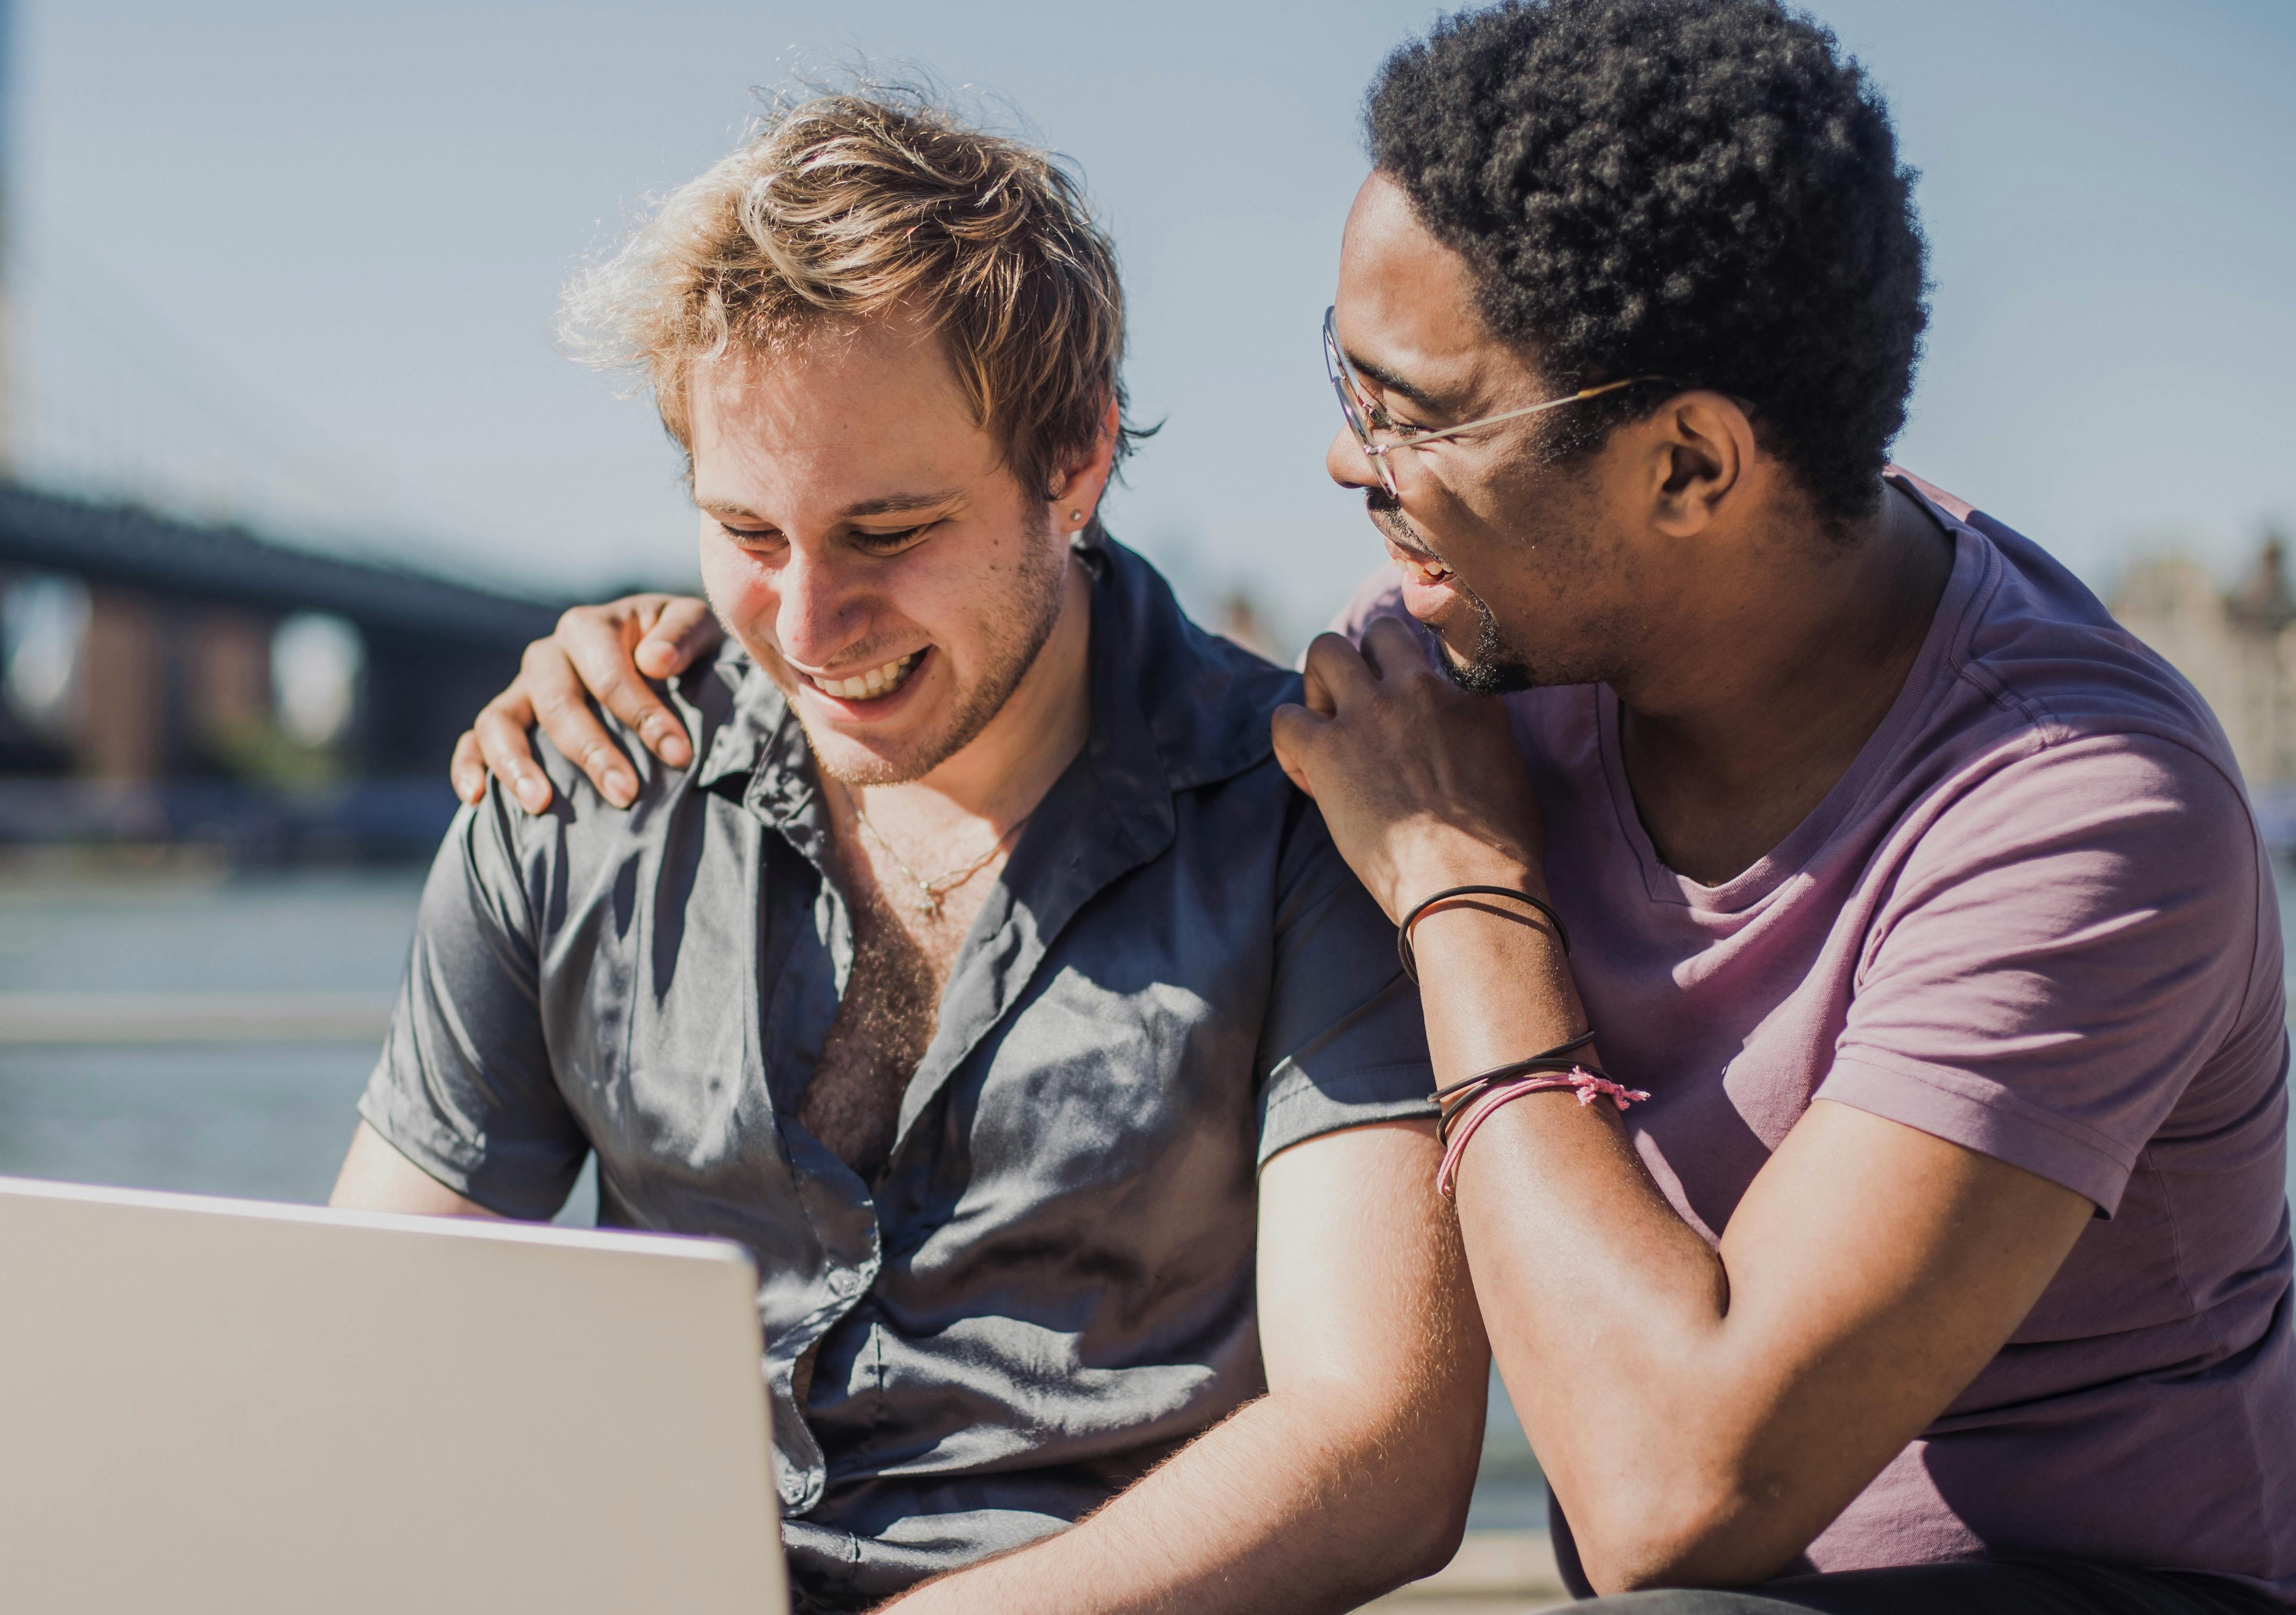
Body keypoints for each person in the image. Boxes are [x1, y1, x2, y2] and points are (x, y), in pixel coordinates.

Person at [455, 3, 2296, 1612]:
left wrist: (1457, 887)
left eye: (1411, 412)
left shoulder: (2074, 820)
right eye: (1343, 372)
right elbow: (1025, 631)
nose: (1347, 458)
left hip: (2086, 1589)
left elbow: (1676, 1496)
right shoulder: (1461, 639)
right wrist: (700, 641)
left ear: (1685, 465)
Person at [333, 88, 1490, 1615]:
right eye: (749, 536)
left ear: (1073, 461)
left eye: (885, 534)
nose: (808, 631)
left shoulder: (1301, 818)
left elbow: (1378, 1445)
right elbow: (369, 1340)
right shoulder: (576, 791)